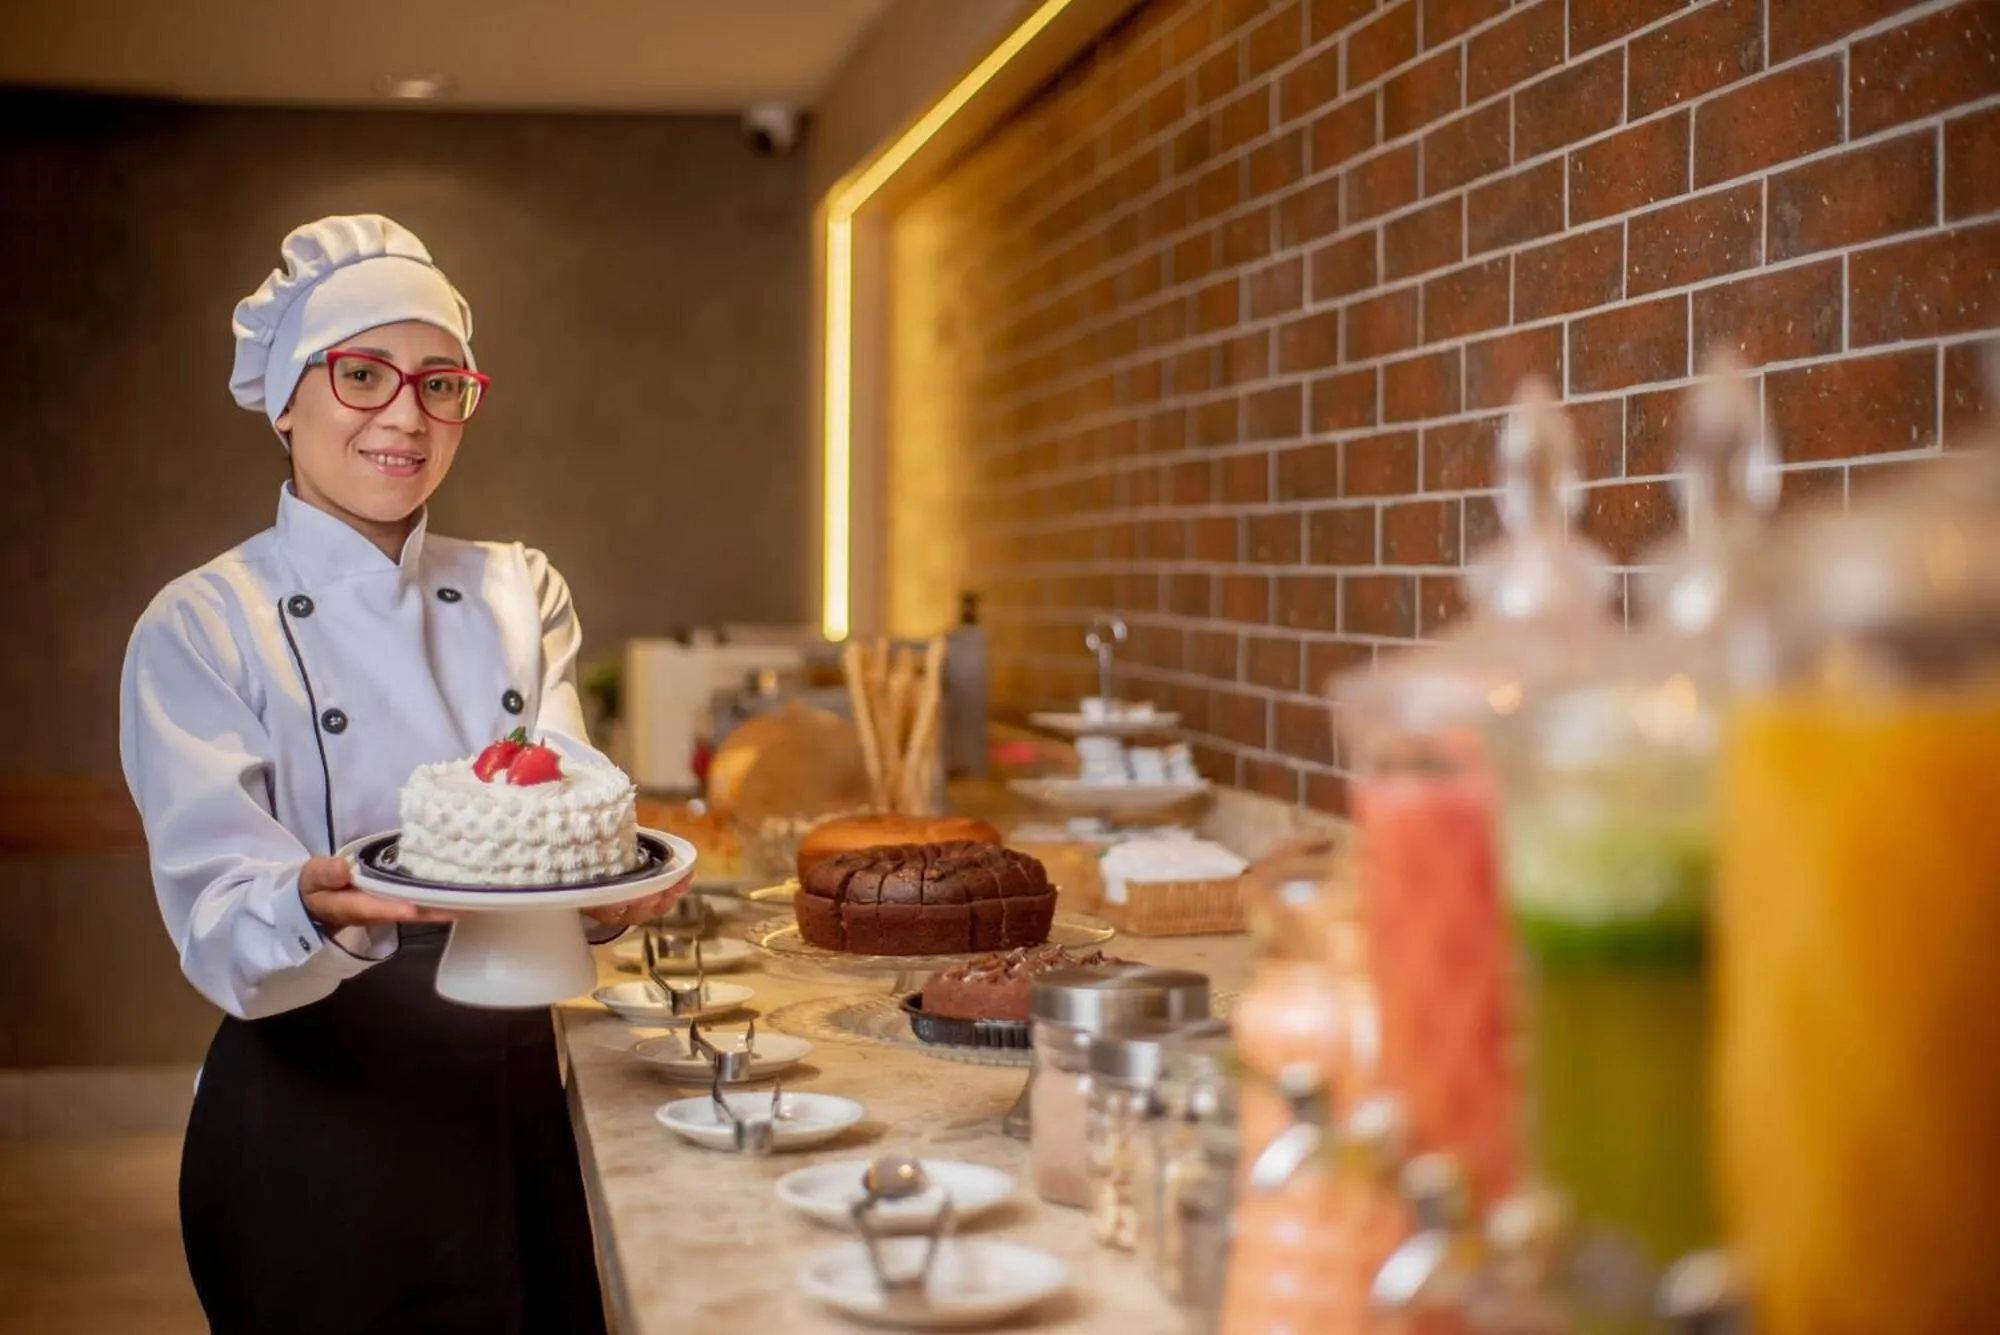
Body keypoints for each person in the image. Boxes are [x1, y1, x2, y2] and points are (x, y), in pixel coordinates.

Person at [118, 214, 682, 1333]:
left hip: (520, 1088)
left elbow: (566, 808)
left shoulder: (522, 589)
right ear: (286, 401)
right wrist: (316, 910)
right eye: (361, 374)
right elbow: (222, 929)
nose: (405, 416)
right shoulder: (203, 623)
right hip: (314, 1119)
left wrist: (606, 904)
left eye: (440, 383)